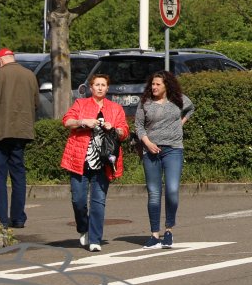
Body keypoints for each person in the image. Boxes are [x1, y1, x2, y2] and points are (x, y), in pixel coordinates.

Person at [60, 72, 130, 251]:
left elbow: (124, 131)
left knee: (98, 202)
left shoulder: (115, 108)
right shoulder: (80, 104)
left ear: (107, 88)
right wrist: (83, 122)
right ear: (91, 88)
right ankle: (83, 228)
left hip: (104, 161)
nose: (100, 88)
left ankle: (95, 239)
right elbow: (67, 121)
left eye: (103, 85)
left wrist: (114, 128)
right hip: (80, 160)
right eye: (97, 85)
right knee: (78, 201)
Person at [134, 70, 194, 248]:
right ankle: (154, 234)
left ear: (166, 85)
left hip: (173, 150)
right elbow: (138, 126)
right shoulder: (145, 102)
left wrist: (180, 124)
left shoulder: (178, 100)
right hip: (151, 151)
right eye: (152, 84)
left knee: (172, 190)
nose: (154, 87)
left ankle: (168, 231)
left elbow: (190, 108)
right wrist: (147, 143)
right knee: (154, 193)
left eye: (158, 84)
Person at [0, 47, 37, 229]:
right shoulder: (30, 75)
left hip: (0, 132)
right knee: (18, 174)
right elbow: (36, 103)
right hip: (22, 131)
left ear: (0, 61)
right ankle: (18, 218)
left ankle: (1, 218)